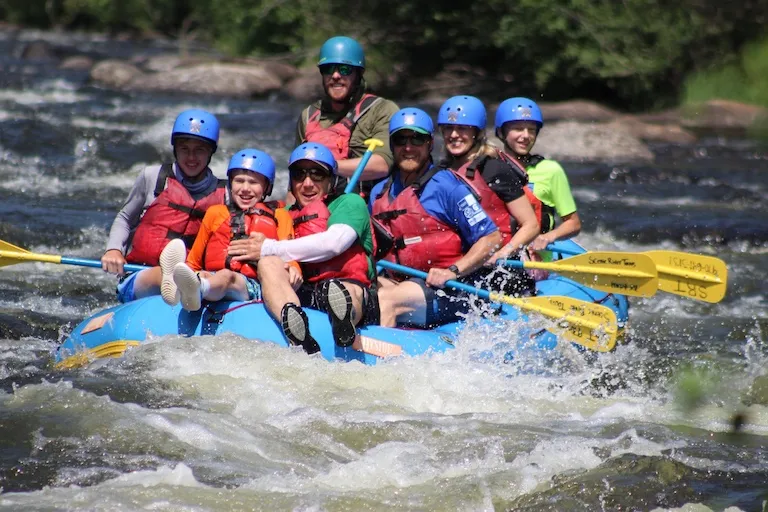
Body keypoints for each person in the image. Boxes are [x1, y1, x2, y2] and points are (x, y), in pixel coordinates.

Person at [227, 143, 377, 352]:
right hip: (304, 293)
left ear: (331, 180)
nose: (307, 183)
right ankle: (293, 323)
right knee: (268, 263)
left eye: (317, 174)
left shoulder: (349, 203)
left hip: (350, 287)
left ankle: (344, 323)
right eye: (299, 174)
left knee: (344, 291)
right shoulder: (282, 213)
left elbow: (334, 243)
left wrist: (269, 247)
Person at [370, 107, 502, 328]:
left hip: (451, 290)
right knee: (358, 291)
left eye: (417, 139)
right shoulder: (378, 193)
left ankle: (379, 359)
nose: (408, 147)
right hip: (401, 282)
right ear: (392, 145)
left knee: (386, 300)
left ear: (430, 144)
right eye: (401, 140)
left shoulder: (447, 187)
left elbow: (492, 238)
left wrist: (453, 271)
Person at [101, 109, 227, 303]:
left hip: (198, 279)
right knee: (165, 273)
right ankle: (178, 283)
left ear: (211, 152)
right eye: (185, 149)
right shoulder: (153, 177)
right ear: (175, 148)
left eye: (199, 150)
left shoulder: (225, 193)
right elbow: (125, 219)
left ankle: (191, 288)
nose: (191, 157)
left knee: (201, 278)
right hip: (140, 276)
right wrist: (114, 250)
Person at [159, 148, 300, 311]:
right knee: (202, 275)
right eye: (239, 181)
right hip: (214, 278)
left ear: (267, 188)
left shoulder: (280, 216)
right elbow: (194, 261)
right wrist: (192, 272)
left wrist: (294, 268)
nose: (245, 188)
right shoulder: (215, 213)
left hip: (255, 286)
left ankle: (197, 291)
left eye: (253, 182)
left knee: (227, 276)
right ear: (230, 184)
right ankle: (189, 288)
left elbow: (290, 253)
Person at [437, 95, 539, 296]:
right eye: (449, 128)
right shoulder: (441, 171)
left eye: (463, 128)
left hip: (498, 271)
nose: (454, 134)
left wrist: (503, 252)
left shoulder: (494, 168)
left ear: (477, 132)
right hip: (460, 266)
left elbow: (531, 225)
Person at [294, 35, 399, 197]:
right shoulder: (308, 115)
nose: (336, 76)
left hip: (361, 206)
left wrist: (326, 166)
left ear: (358, 74)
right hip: (314, 208)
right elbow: (294, 180)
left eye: (344, 69)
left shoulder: (382, 110)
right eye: (329, 69)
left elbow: (382, 165)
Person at [494, 97, 582, 255]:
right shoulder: (489, 169)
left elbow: (573, 224)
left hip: (537, 261)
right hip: (498, 257)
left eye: (532, 129)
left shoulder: (550, 170)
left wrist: (549, 236)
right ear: (501, 132)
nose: (526, 135)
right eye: (518, 128)